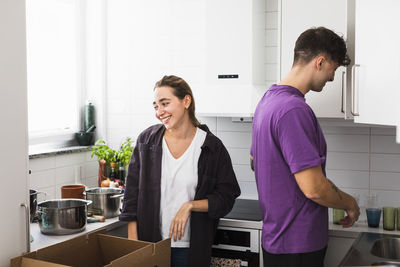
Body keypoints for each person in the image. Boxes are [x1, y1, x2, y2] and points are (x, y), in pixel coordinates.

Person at [250, 27, 360, 267]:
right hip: (298, 244)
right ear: (320, 62)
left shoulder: (267, 101)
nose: (332, 78)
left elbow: (253, 160)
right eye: (334, 69)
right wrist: (350, 203)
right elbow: (314, 189)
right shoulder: (293, 110)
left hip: (276, 239)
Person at [119, 75, 241, 267]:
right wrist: (136, 247)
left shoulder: (211, 147)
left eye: (164, 103)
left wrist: (190, 206)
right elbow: (131, 197)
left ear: (186, 101)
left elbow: (227, 196)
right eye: (155, 106)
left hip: (190, 250)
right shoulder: (146, 142)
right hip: (151, 247)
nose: (159, 112)